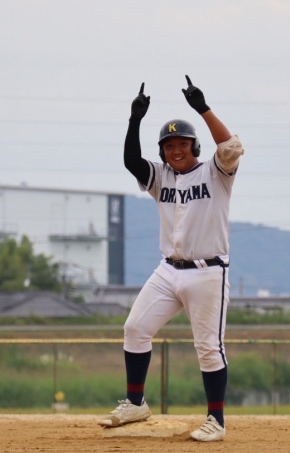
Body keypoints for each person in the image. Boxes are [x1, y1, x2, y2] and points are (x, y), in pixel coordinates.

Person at [97, 76, 244, 442]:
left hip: (207, 272)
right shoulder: (161, 176)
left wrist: (203, 108)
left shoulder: (216, 171)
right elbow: (132, 161)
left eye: (182, 143)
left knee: (208, 348)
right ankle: (135, 403)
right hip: (168, 271)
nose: (175, 150)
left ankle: (216, 421)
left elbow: (230, 145)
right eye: (168, 145)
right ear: (162, 152)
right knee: (135, 329)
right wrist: (135, 120)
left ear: (194, 146)